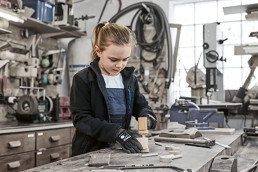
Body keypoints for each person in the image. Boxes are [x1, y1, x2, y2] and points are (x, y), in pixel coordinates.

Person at [70, 21, 157, 156]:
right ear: (98, 51)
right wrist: (116, 133)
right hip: (90, 152)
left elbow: (140, 105)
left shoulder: (129, 80)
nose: (120, 65)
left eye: (125, 59)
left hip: (120, 150)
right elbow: (81, 119)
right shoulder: (83, 79)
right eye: (114, 59)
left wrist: (147, 116)